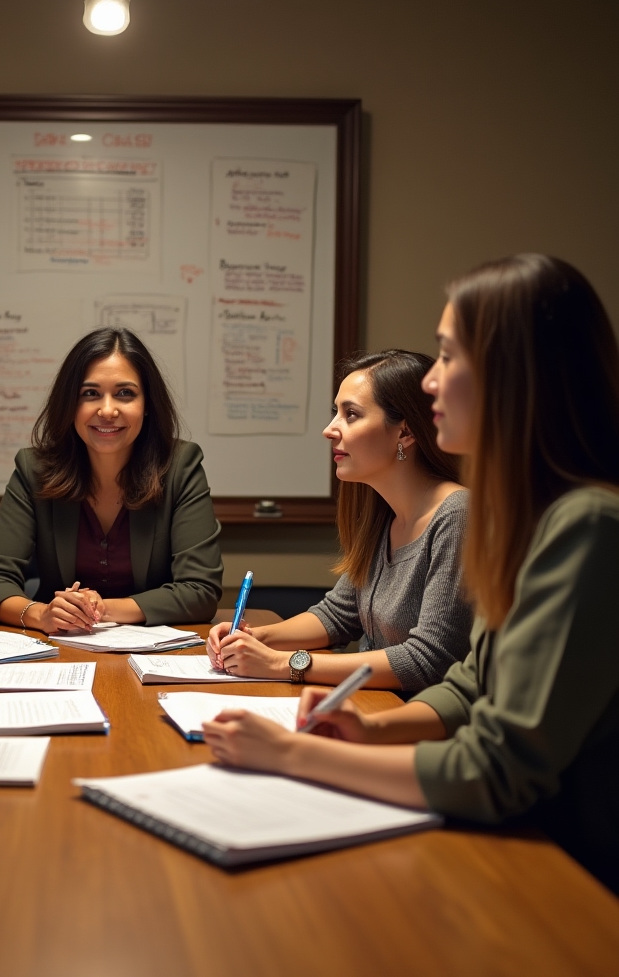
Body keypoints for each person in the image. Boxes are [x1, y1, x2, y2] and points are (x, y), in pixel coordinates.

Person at [203, 254, 619, 893]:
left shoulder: (585, 525)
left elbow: (499, 767)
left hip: (562, 865)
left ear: (514, 376)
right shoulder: (528, 515)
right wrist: (370, 727)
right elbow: (469, 682)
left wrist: (295, 753)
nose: (430, 384)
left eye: (449, 357)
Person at [207, 350, 471, 691]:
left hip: (422, 728)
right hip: (371, 706)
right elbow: (337, 615)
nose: (330, 430)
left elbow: (429, 661)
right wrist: (253, 637)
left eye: (351, 415)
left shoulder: (457, 516)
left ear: (405, 432)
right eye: (337, 413)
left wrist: (282, 663)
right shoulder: (384, 515)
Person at [0, 327, 223, 632]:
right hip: (57, 651)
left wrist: (100, 608)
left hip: (154, 656)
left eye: (125, 393)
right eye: (90, 394)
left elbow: (200, 591)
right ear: (70, 406)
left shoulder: (180, 466)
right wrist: (42, 615)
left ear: (147, 407)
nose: (107, 410)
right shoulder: (34, 468)